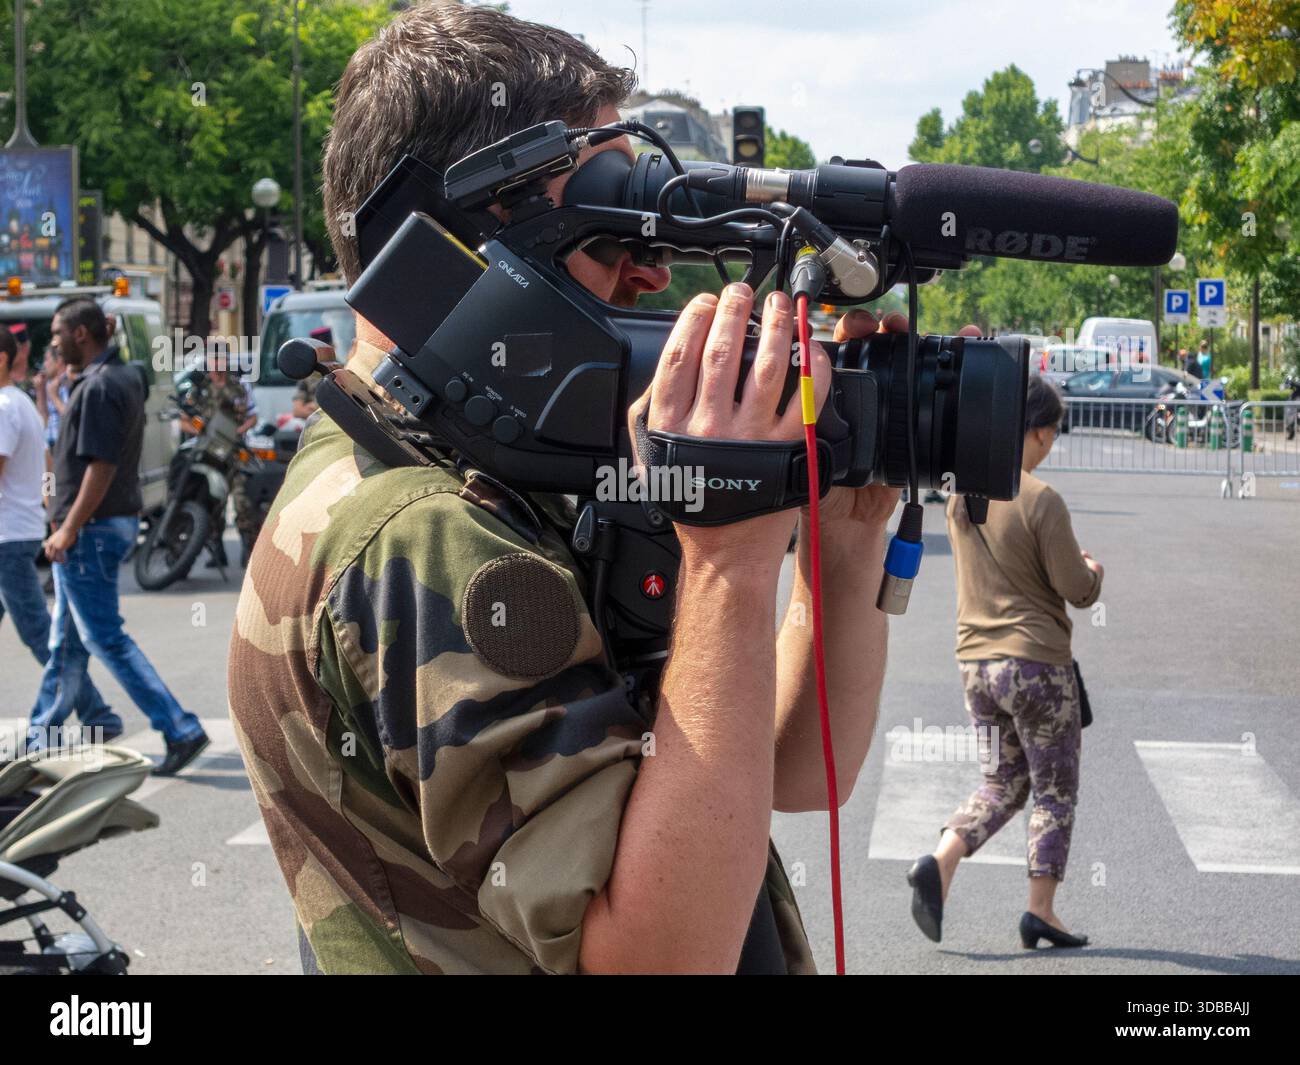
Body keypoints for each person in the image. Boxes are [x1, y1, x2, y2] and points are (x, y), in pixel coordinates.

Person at [228, 4, 982, 975]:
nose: (650, 274)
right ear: (456, 248)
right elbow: (654, 958)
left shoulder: (485, 471)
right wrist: (727, 560)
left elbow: (794, 770)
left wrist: (836, 556)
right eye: (606, 228)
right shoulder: (421, 535)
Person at [906, 376, 1102, 949]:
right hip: (1037, 668)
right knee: (1052, 788)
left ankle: (941, 861)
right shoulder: (1041, 498)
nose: (1050, 447)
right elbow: (1077, 587)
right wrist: (1094, 573)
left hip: (977, 667)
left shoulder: (962, 497)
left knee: (1002, 781)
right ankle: (1041, 910)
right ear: (1038, 431)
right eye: (1052, 435)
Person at [28, 298, 209, 774]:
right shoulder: (117, 378)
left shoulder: (101, 386)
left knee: (105, 639)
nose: (53, 343)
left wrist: (67, 528)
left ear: (81, 335)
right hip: (96, 529)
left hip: (88, 533)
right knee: (66, 643)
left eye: (56, 334)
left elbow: (101, 466)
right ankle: (39, 738)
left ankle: (180, 728)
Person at [0, 324, 120, 743]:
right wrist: (47, 509)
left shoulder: (3, 406)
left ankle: (96, 713)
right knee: (40, 629)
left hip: (8, 538)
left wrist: (50, 512)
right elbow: (47, 466)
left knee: (38, 631)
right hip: (19, 529)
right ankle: (96, 712)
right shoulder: (20, 404)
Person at [180, 339, 259, 566]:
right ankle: (217, 550)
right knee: (213, 501)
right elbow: (184, 421)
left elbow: (253, 416)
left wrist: (239, 431)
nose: (218, 363)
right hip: (209, 454)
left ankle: (247, 548)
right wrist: (201, 431)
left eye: (222, 358)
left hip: (235, 452)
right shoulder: (199, 388)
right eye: (214, 358)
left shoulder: (239, 386)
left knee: (243, 501)